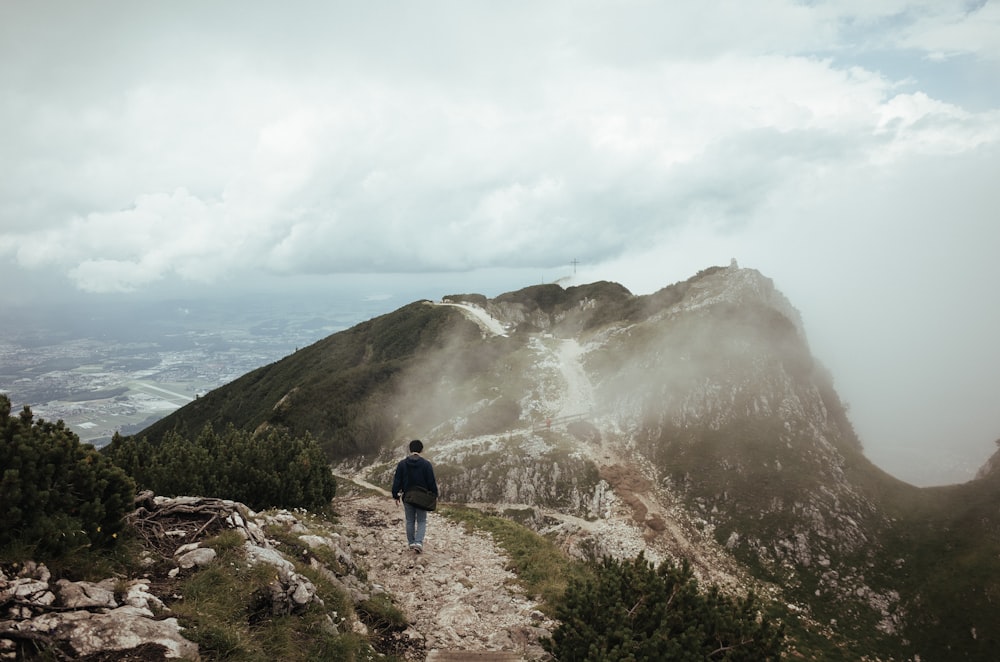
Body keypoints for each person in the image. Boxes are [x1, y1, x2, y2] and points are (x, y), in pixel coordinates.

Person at [391, 439, 439, 553]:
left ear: (410, 449)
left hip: (407, 497)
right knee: (422, 521)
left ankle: (411, 543)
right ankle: (418, 543)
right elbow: (431, 481)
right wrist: (435, 494)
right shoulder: (426, 464)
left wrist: (395, 495)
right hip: (422, 498)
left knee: (410, 521)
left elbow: (397, 481)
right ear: (421, 450)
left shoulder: (402, 464)